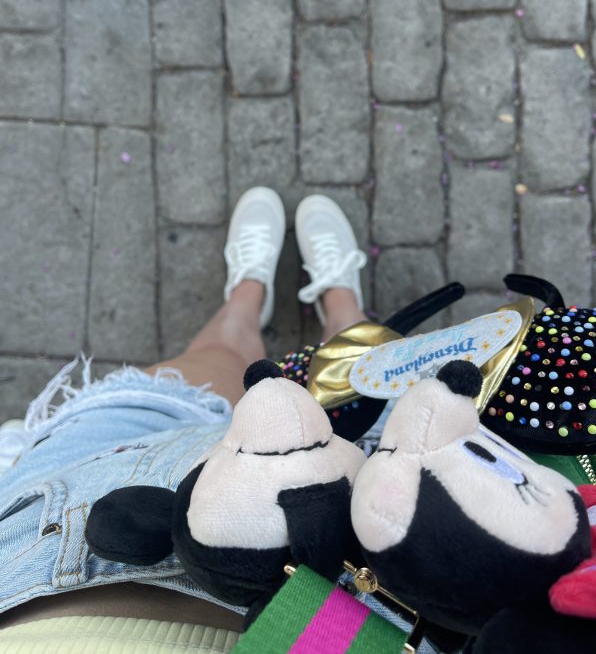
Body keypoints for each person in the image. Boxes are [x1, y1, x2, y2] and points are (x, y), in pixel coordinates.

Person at [0, 188, 370, 652]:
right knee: (364, 375)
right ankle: (343, 306)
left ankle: (247, 296)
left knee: (217, 358)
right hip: (359, 599)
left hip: (63, 515)